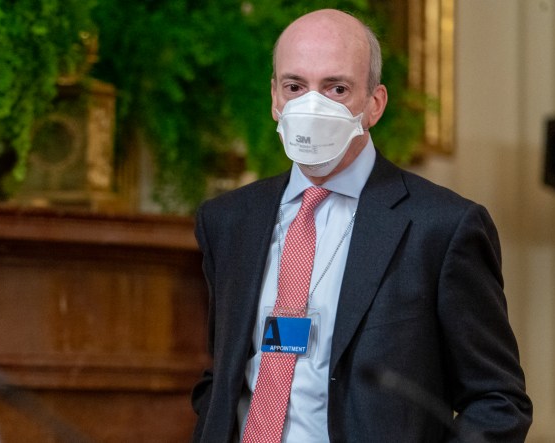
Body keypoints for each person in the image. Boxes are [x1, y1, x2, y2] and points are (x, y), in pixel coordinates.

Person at [191, 8, 532, 442]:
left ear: (374, 104)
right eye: (295, 86)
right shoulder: (228, 221)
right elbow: (222, 376)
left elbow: (498, 401)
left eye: (336, 88)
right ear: (275, 98)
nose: (311, 104)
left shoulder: (442, 228)